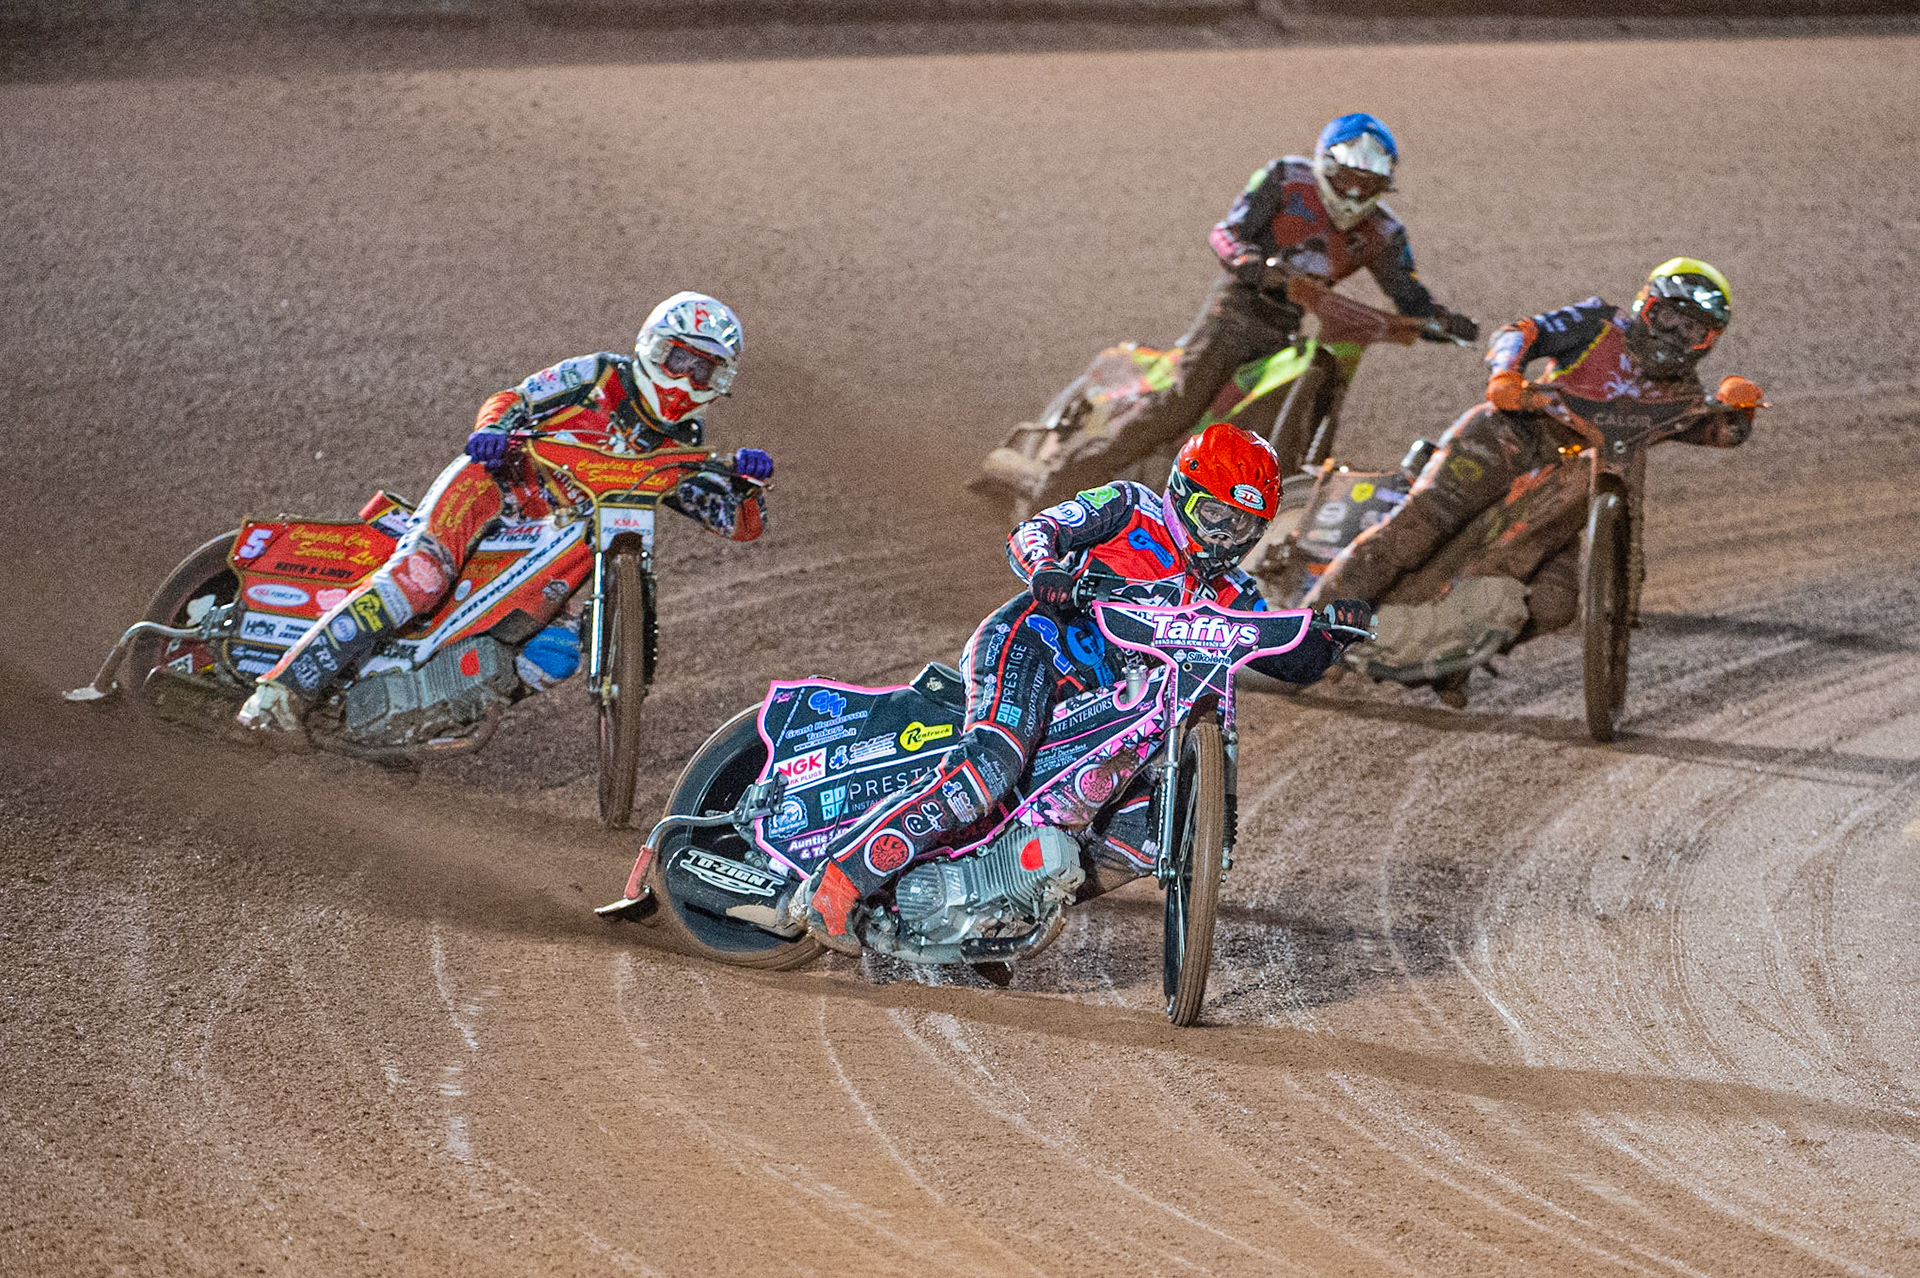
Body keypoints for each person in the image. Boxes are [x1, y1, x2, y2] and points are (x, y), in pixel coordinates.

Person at [798, 423, 1372, 953]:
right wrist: (1046, 569)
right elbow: (1036, 530)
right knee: (993, 765)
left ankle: (1000, 907)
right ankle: (840, 881)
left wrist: (1329, 635)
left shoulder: (1235, 592)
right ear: (1182, 491)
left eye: (1241, 526)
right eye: (1215, 515)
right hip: (1034, 647)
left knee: (1141, 838)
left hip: (1111, 709)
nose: (1225, 537)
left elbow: (1288, 659)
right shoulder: (1129, 507)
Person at [237, 291, 774, 731]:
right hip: (495, 488)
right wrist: (491, 432)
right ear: (652, 349)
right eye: (678, 359)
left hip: (557, 543)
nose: (684, 380)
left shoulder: (682, 445)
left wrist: (746, 486)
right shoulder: (597, 376)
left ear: (720, 381)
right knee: (419, 579)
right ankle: (281, 690)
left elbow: (736, 524)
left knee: (558, 652)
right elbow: (513, 398)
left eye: (703, 370)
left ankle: (420, 713)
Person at [1303, 258, 1764, 689]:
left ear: (1708, 342)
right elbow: (1521, 331)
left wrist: (1740, 412)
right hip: (1506, 439)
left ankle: (1444, 662)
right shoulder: (1597, 324)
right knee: (1416, 529)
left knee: (1555, 606)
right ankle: (1307, 638)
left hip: (1566, 488)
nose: (1674, 335)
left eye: (1692, 330)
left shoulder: (1681, 394)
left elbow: (1717, 432)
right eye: (1669, 318)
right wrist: (1506, 374)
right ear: (1647, 308)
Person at [1009, 112, 1479, 502]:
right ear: (1325, 166)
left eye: (1368, 183)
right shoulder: (1284, 178)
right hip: (1236, 312)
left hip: (1288, 331)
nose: (1355, 193)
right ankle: (1053, 497)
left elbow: (1409, 293)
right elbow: (1227, 233)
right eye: (1347, 179)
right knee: (1177, 408)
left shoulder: (1383, 232)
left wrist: (1442, 320)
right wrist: (1250, 261)